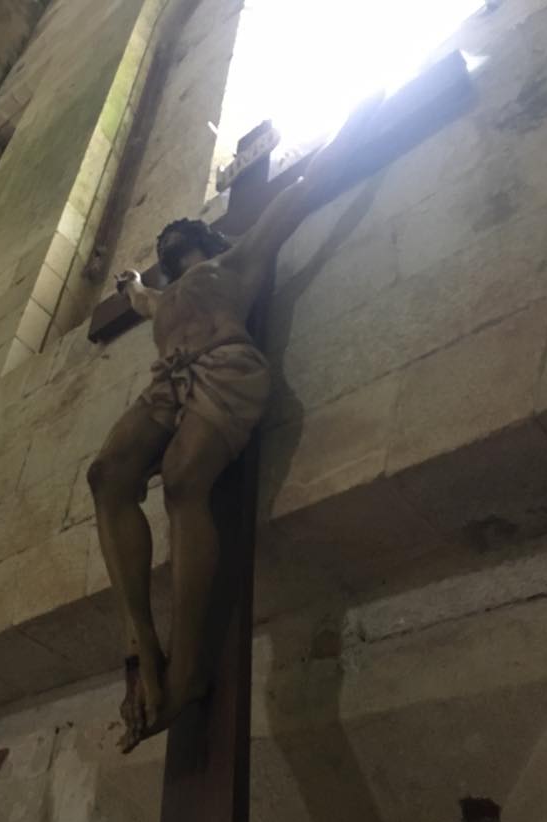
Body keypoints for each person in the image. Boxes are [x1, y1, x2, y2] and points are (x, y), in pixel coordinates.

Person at [88, 96, 382, 752]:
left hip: (224, 368)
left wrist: (358, 118)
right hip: (167, 384)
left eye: (180, 236)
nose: (169, 241)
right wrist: (131, 284)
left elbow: (303, 190)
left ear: (207, 240)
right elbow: (136, 296)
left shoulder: (239, 257)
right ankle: (141, 642)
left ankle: (188, 671)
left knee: (183, 483)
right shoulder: (162, 296)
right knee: (106, 475)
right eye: (163, 245)